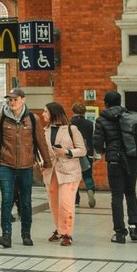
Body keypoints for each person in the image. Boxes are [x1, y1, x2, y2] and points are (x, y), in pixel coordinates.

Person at [0, 88, 49, 248]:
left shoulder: (33, 119)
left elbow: (41, 142)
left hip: (26, 166)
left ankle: (26, 234)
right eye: (10, 100)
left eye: (15, 99)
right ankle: (6, 235)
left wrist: (47, 163)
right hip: (6, 166)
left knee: (26, 202)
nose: (12, 102)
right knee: (6, 201)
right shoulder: (1, 119)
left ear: (23, 100)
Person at [92, 91, 137, 243]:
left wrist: (104, 151)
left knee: (117, 196)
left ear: (106, 103)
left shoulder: (102, 119)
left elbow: (97, 144)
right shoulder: (130, 116)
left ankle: (120, 233)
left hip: (115, 160)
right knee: (131, 193)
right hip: (132, 158)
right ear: (120, 101)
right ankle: (134, 228)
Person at [43, 102, 85, 247]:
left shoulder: (71, 129)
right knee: (54, 204)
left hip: (69, 171)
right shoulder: (45, 131)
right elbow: (40, 151)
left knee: (66, 203)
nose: (43, 115)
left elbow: (82, 150)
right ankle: (59, 230)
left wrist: (67, 152)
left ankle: (67, 234)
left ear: (54, 113)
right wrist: (40, 161)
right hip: (50, 171)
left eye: (45, 112)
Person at [70, 104, 98, 209]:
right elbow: (93, 139)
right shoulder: (90, 124)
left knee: (74, 177)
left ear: (73, 111)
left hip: (74, 153)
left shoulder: (70, 123)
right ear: (84, 112)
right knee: (87, 175)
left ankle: (76, 200)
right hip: (88, 153)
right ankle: (90, 190)